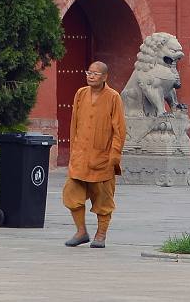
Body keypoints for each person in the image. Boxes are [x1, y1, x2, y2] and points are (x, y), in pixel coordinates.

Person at [63, 59, 125, 247]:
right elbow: (74, 124)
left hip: (102, 157)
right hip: (80, 156)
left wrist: (114, 155)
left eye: (95, 73)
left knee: (103, 198)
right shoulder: (80, 94)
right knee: (71, 192)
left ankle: (101, 234)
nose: (90, 76)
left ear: (105, 77)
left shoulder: (113, 97)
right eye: (88, 72)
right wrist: (73, 151)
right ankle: (81, 231)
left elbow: (119, 130)